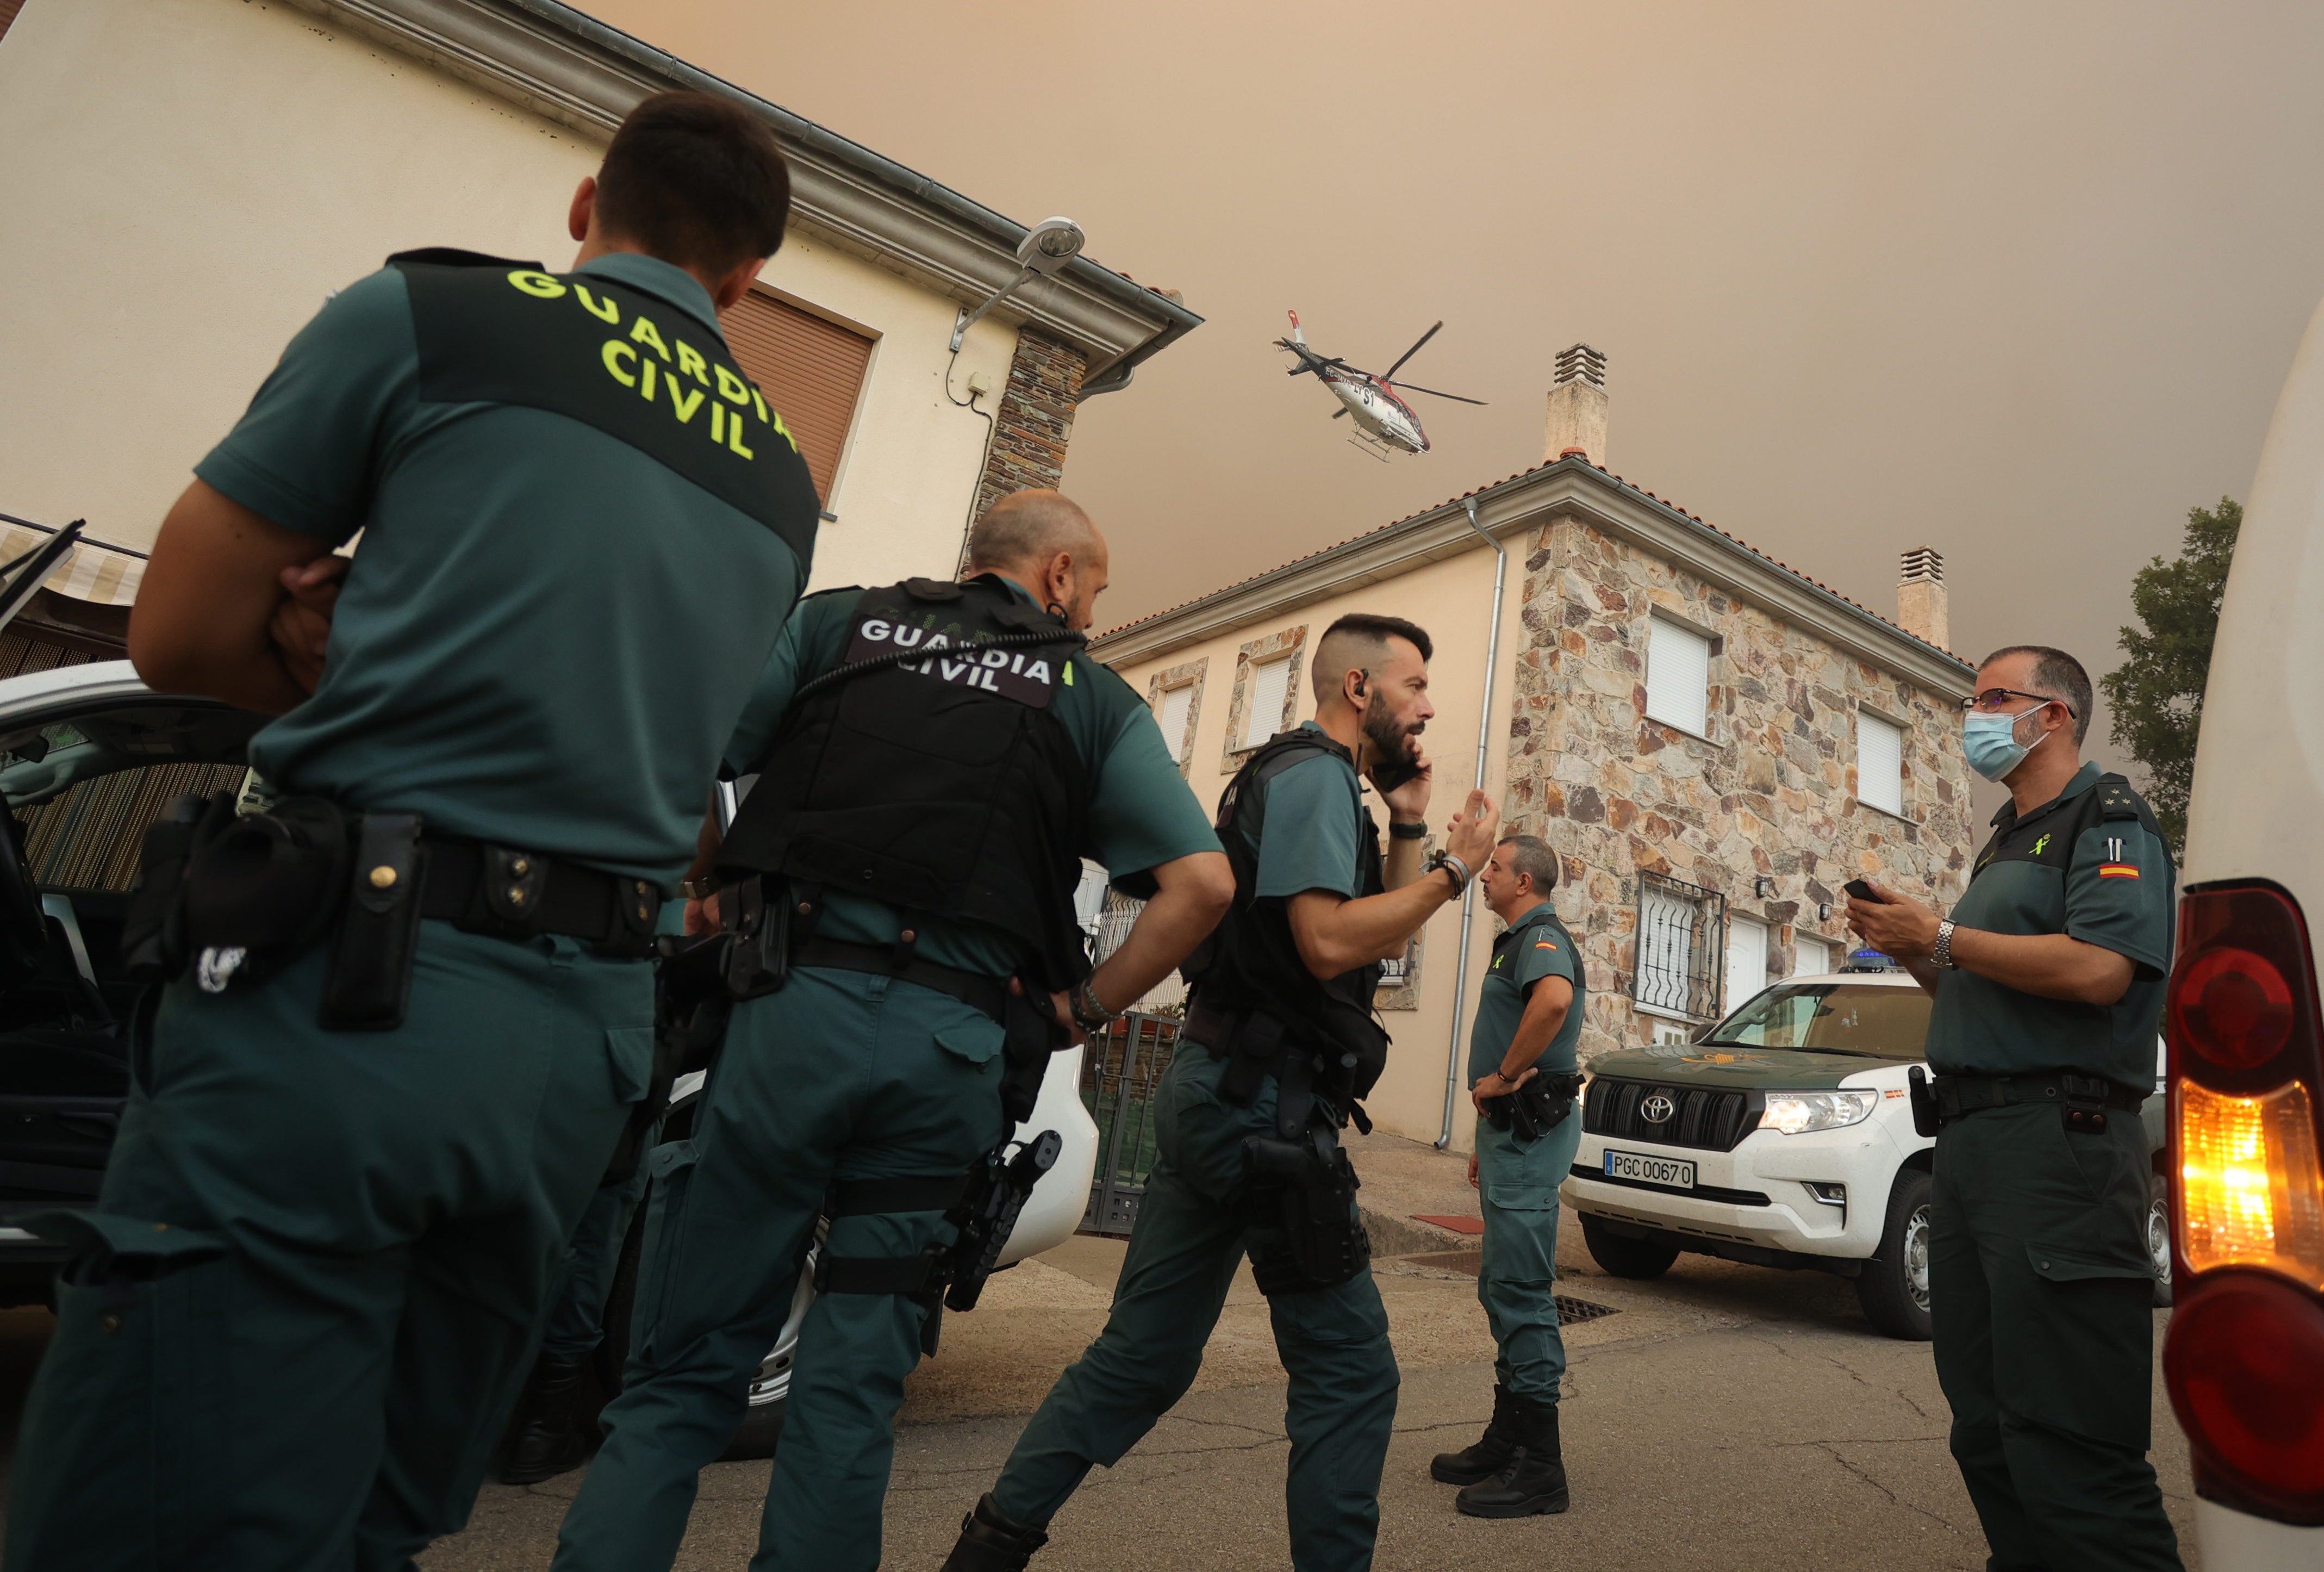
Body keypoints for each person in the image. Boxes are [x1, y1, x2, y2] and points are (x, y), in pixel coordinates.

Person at [5, 91, 820, 1572]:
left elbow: (180, 636)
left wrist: (334, 644)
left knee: (154, 1510)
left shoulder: (433, 315)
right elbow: (650, 751)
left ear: (586, 207)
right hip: (573, 1061)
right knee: (375, 1515)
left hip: (352, 997)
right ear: (748, 283)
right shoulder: (779, 482)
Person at [550, 489, 1235, 1572]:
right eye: (1095, 591)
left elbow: (681, 753)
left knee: (682, 1376)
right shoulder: (1089, 697)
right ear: (1057, 576)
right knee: (850, 1388)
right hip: (947, 1058)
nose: (1092, 615)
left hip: (785, 1024)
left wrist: (698, 886)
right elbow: (1201, 883)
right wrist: (1079, 1011)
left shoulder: (837, 624)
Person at [942, 612, 1500, 1572]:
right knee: (1352, 1373)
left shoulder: (1291, 775)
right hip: (1261, 1113)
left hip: (1219, 1091)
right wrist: (1456, 870)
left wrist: (1409, 822)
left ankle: (988, 1547)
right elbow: (1330, 943)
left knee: (1143, 1356)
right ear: (1359, 689)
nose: (1429, 704)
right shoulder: (1319, 779)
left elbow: (1372, 937)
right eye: (1414, 684)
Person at [1845, 645, 2183, 1572]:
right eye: (1975, 696)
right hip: (1973, 1144)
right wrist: (1915, 943)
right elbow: (1970, 989)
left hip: (2058, 1148)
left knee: (2070, 1446)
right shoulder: (2005, 838)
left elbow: (2102, 968)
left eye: (1996, 696)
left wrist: (1946, 935)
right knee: (1988, 1429)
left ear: (2056, 715)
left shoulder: (2108, 819)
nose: (1975, 713)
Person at [1429, 832, 1585, 1519]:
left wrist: (1506, 1075)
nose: (1484, 876)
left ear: (1524, 881)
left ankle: (1542, 1468)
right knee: (1500, 1285)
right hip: (1508, 1135)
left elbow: (1551, 1003)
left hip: (1525, 1129)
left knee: (1521, 1291)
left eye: (1494, 868)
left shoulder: (1541, 937)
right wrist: (1483, 1134)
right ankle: (1508, 1438)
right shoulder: (1514, 938)